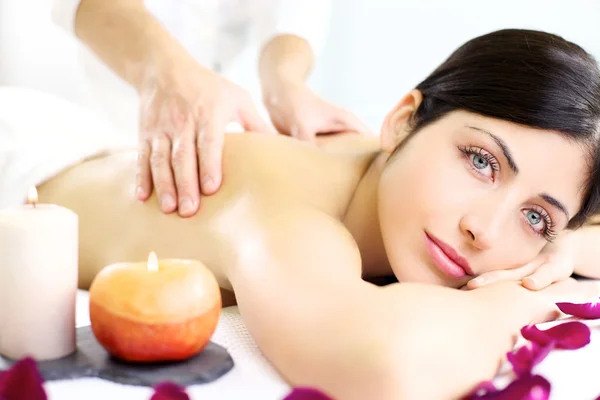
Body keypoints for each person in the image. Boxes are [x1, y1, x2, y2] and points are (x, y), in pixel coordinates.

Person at [14, 29, 600, 399]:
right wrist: (523, 296)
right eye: (479, 161)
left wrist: (564, 249)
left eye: (537, 218)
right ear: (401, 122)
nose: (484, 229)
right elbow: (382, 366)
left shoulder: (380, 177)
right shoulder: (286, 207)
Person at [51, 0, 371, 218]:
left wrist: (284, 82)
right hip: (80, 109)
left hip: (217, 108)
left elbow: (293, 10)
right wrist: (165, 73)